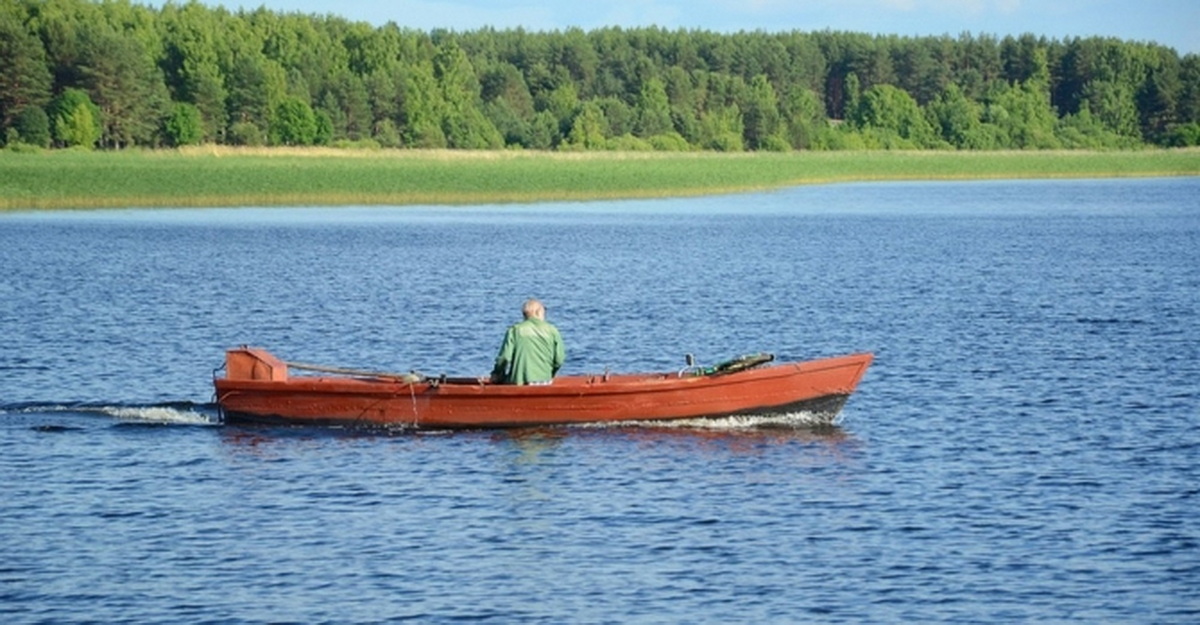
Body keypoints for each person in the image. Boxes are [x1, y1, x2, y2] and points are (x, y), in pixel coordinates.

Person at [491, 299, 565, 385]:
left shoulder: (514, 330)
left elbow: (505, 357)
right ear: (539, 312)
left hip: (518, 382)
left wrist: (497, 373)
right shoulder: (552, 330)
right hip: (545, 381)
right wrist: (550, 373)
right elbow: (559, 359)